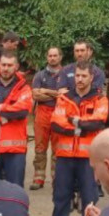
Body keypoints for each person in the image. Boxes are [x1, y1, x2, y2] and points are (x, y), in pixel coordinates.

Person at [47, 62, 108, 216]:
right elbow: (56, 124)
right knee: (61, 195)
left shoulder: (100, 99)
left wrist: (73, 122)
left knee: (89, 197)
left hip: (88, 158)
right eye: (77, 76)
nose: (79, 79)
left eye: (83, 76)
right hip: (65, 156)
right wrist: (81, 127)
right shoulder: (64, 98)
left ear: (91, 77)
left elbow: (98, 123)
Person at [0, 52, 32, 186]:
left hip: (15, 150)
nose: (6, 68)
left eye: (9, 65)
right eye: (3, 65)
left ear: (16, 66)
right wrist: (5, 114)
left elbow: (22, 111)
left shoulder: (24, 88)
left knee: (15, 190)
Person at [31, 46, 65, 190]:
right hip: (42, 113)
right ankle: (38, 179)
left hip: (59, 112)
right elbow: (35, 95)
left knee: (58, 148)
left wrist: (45, 90)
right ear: (47, 57)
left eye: (55, 55)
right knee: (40, 147)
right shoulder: (39, 75)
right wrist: (55, 93)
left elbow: (65, 96)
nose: (52, 58)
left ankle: (57, 179)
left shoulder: (66, 75)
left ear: (60, 57)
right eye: (50, 55)